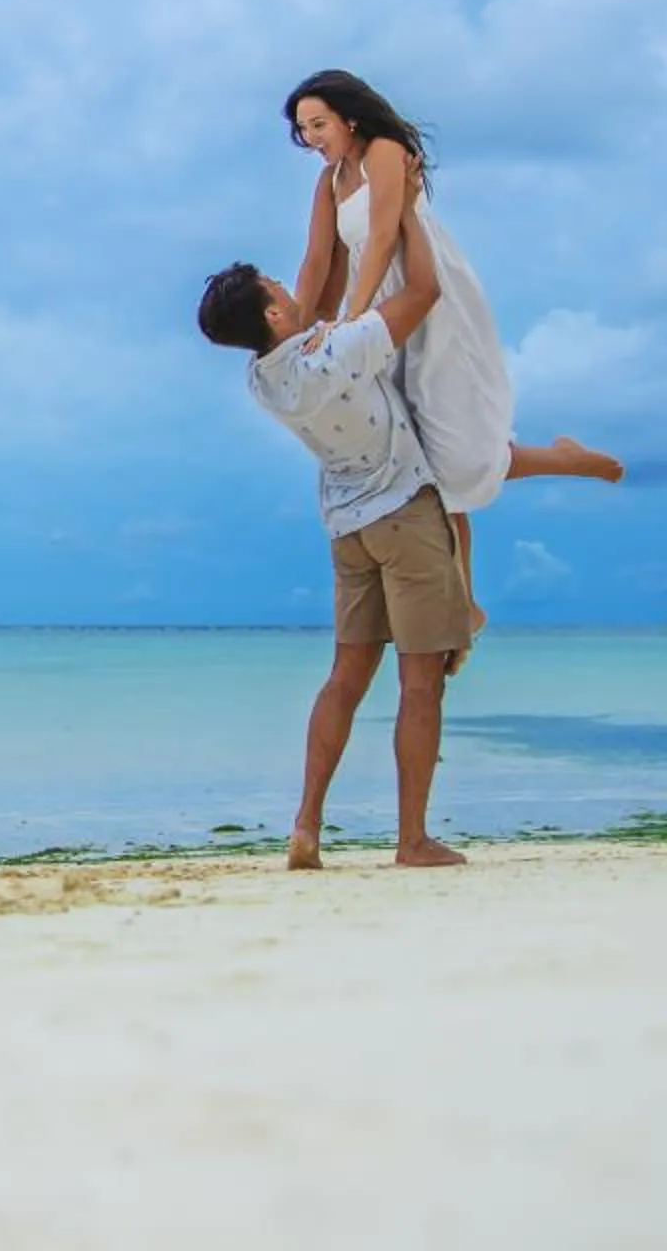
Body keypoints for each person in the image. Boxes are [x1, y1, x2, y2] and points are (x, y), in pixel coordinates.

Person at [282, 68, 623, 642]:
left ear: (350, 117)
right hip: (372, 315)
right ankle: (465, 602)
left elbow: (387, 233)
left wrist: (353, 319)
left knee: (451, 451)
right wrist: (291, 336)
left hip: (423, 299)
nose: (312, 137)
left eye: (319, 124)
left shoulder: (385, 151)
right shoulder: (329, 182)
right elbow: (318, 263)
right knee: (418, 460)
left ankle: (565, 461)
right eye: (303, 130)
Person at [197, 223, 467, 870]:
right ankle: (412, 842)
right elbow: (424, 290)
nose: (291, 286)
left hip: (349, 531)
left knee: (345, 681)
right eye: (277, 286)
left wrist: (335, 199)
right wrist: (411, 220)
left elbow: (326, 269)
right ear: (271, 311)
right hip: (403, 514)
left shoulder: (264, 378)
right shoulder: (336, 353)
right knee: (421, 683)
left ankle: (306, 826)